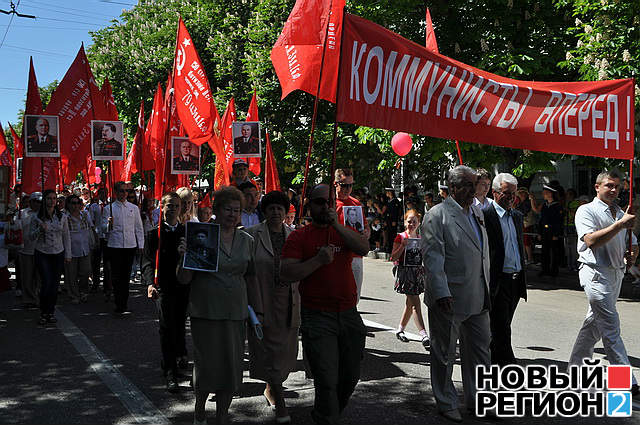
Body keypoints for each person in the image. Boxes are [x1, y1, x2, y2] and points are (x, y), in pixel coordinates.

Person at [280, 184, 369, 425]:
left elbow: (364, 248)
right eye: (320, 202)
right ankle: (326, 417)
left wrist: (337, 225)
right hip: (318, 317)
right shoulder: (300, 236)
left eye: (330, 202)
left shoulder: (343, 230)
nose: (325, 206)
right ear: (309, 204)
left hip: (349, 314)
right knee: (327, 379)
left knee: (350, 376)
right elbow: (286, 273)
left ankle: (326, 413)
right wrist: (318, 261)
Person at [177, 186, 255, 425]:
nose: (232, 214)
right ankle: (199, 408)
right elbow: (183, 279)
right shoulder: (202, 235)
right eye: (228, 209)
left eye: (237, 210)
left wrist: (257, 312)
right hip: (206, 310)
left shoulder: (247, 240)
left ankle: (222, 415)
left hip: (235, 311)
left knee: (231, 368)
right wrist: (184, 257)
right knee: (207, 366)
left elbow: (250, 277)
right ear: (216, 210)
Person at [421, 165, 491, 422]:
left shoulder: (476, 212)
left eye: (474, 184)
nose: (473, 190)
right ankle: (446, 401)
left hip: (478, 294)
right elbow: (433, 258)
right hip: (449, 297)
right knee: (444, 352)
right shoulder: (437, 214)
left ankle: (481, 399)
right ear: (452, 188)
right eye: (468, 185)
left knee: (481, 350)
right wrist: (440, 292)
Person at [568, 170, 639, 395]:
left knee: (594, 325)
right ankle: (626, 380)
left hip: (616, 273)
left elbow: (633, 242)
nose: (614, 190)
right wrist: (620, 225)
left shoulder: (620, 212)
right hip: (596, 273)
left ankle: (575, 372)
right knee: (610, 326)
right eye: (609, 185)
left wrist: (633, 254)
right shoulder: (586, 210)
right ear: (597, 187)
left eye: (617, 186)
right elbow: (590, 240)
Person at [246, 191, 300, 423]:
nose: (276, 212)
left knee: (284, 353)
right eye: (271, 208)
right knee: (269, 351)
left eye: (280, 208)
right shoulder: (250, 236)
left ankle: (271, 387)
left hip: (289, 301)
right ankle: (281, 403)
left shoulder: (294, 236)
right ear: (264, 212)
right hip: (263, 299)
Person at [144, 192, 189, 393]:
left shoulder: (186, 232)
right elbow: (146, 262)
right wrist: (149, 283)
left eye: (176, 206)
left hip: (183, 285)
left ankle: (177, 355)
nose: (173, 209)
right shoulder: (154, 233)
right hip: (162, 286)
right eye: (169, 205)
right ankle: (170, 372)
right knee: (166, 327)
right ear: (162, 207)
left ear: (181, 209)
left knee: (179, 324)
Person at [482, 173, 527, 366]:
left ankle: (491, 364)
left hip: (515, 281)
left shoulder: (516, 216)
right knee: (501, 328)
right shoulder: (485, 215)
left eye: (513, 194)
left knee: (503, 325)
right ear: (494, 192)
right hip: (497, 280)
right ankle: (509, 368)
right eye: (506, 193)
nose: (511, 198)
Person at [102, 181, 145, 314]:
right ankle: (118, 302)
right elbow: (102, 230)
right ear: (115, 192)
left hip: (130, 245)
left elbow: (138, 227)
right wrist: (108, 224)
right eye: (121, 191)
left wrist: (141, 244)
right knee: (116, 276)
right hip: (115, 245)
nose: (124, 194)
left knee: (125, 276)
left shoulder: (134, 208)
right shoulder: (108, 208)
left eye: (126, 191)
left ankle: (123, 303)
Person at [30, 189, 71, 326]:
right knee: (46, 282)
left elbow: (66, 236)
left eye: (54, 198)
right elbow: (30, 237)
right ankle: (43, 312)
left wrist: (68, 254)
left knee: (54, 284)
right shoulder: (36, 217)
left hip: (58, 252)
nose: (52, 201)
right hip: (42, 252)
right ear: (44, 200)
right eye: (49, 198)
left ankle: (51, 311)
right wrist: (39, 229)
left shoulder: (62, 217)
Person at [390, 209, 429, 348]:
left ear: (418, 223)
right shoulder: (400, 237)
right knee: (415, 303)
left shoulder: (420, 238)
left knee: (409, 303)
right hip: (405, 273)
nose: (411, 224)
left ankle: (400, 329)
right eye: (409, 221)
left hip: (417, 273)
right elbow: (393, 257)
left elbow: (423, 257)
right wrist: (402, 246)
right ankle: (424, 334)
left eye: (414, 222)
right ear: (405, 221)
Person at [334, 168, 368, 303]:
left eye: (350, 185)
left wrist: (366, 232)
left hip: (355, 256)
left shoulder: (356, 203)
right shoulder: (330, 204)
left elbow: (366, 227)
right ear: (335, 184)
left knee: (354, 298)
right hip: (337, 256)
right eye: (344, 185)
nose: (348, 189)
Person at [64, 194, 94, 304]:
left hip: (84, 248)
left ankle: (83, 292)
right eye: (73, 203)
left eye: (77, 203)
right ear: (68, 205)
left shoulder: (85, 215)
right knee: (71, 274)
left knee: (86, 272)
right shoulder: (65, 218)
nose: (75, 206)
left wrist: (93, 242)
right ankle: (74, 295)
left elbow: (91, 229)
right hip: (71, 250)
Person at [531, 185, 563, 277]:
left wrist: (556, 233)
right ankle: (545, 269)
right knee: (544, 252)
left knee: (554, 252)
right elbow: (541, 219)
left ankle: (554, 271)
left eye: (545, 193)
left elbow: (558, 221)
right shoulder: (544, 205)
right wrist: (540, 232)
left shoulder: (557, 205)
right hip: (545, 231)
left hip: (553, 232)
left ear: (550, 193)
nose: (543, 195)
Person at [17, 193, 41, 309]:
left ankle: (38, 297)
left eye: (39, 201)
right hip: (26, 249)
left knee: (39, 276)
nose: (37, 203)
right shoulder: (22, 213)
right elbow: (16, 228)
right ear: (30, 202)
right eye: (35, 201)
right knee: (27, 275)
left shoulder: (44, 214)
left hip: (41, 249)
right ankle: (28, 299)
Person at [87, 188, 111, 297]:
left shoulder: (110, 206)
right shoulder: (94, 206)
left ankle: (107, 285)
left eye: (105, 193)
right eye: (101, 193)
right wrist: (94, 235)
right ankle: (95, 283)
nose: (103, 195)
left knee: (107, 263)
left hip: (106, 237)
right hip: (97, 235)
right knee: (96, 262)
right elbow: (91, 222)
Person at [565, 188, 580, 272]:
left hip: (573, 226)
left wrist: (568, 210)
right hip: (566, 225)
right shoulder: (567, 203)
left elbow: (575, 213)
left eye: (569, 194)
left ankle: (574, 264)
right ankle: (569, 264)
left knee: (574, 246)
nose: (567, 196)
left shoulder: (576, 203)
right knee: (567, 246)